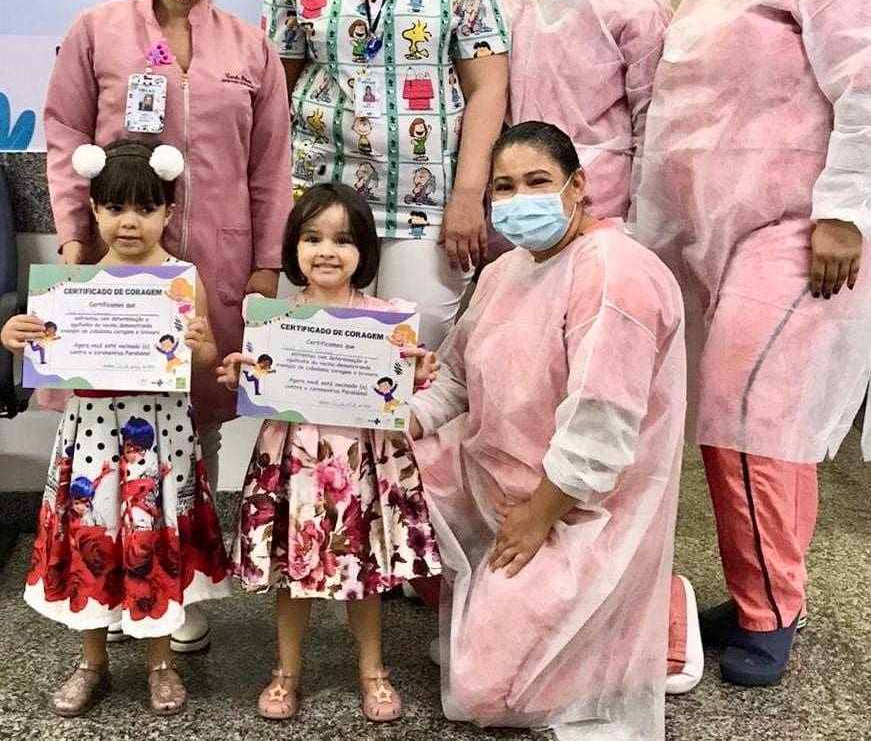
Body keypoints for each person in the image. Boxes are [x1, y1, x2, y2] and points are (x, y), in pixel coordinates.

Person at [634, 0, 871, 687]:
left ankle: (769, 610)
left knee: (748, 417)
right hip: (712, 241)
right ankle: (759, 592)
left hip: (799, 232)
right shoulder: (700, 2)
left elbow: (864, 90)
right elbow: (673, 128)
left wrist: (841, 213)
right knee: (742, 421)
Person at [43, 0, 292, 652]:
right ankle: (113, 580)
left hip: (215, 265)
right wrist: (74, 239)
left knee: (197, 425)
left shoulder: (250, 48)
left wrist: (264, 265)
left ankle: (171, 582)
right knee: (108, 429)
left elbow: (270, 166)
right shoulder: (98, 30)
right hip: (117, 268)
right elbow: (64, 136)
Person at [409, 122, 699, 740]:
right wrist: (399, 420)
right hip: (497, 475)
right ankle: (496, 603)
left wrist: (538, 515)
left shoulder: (614, 273)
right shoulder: (504, 271)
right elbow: (456, 377)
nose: (520, 200)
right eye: (504, 187)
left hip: (580, 505)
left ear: (578, 185)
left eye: (537, 181)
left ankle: (661, 611)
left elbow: (601, 423)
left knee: (483, 693)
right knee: (386, 471)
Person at [0, 141, 230, 717]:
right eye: (115, 207)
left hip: (159, 434)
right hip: (93, 434)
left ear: (168, 213)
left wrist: (203, 346)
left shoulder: (181, 279)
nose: (129, 221)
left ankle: (160, 662)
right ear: (94, 210)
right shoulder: (71, 285)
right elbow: (42, 351)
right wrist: (16, 338)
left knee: (154, 538)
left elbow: (203, 361)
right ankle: (92, 661)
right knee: (92, 535)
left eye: (145, 208)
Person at [263, 0, 510, 348]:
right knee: (317, 353)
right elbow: (274, 95)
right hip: (319, 197)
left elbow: (488, 89)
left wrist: (469, 194)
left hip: (424, 203)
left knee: (409, 353)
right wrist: (271, 202)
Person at [217, 184, 441, 722]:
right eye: (313, 238)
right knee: (291, 568)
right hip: (292, 460)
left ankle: (373, 670)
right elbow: (259, 382)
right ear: (293, 246)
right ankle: (286, 671)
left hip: (360, 462)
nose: (326, 251)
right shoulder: (272, 320)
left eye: (343, 240)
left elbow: (403, 388)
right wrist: (240, 377)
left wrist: (418, 373)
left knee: (362, 569)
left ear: (363, 249)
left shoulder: (387, 320)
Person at [503, 0, 671, 223]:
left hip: (602, 197)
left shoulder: (635, 5)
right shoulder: (510, 8)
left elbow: (653, 122)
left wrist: (646, 217)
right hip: (521, 196)